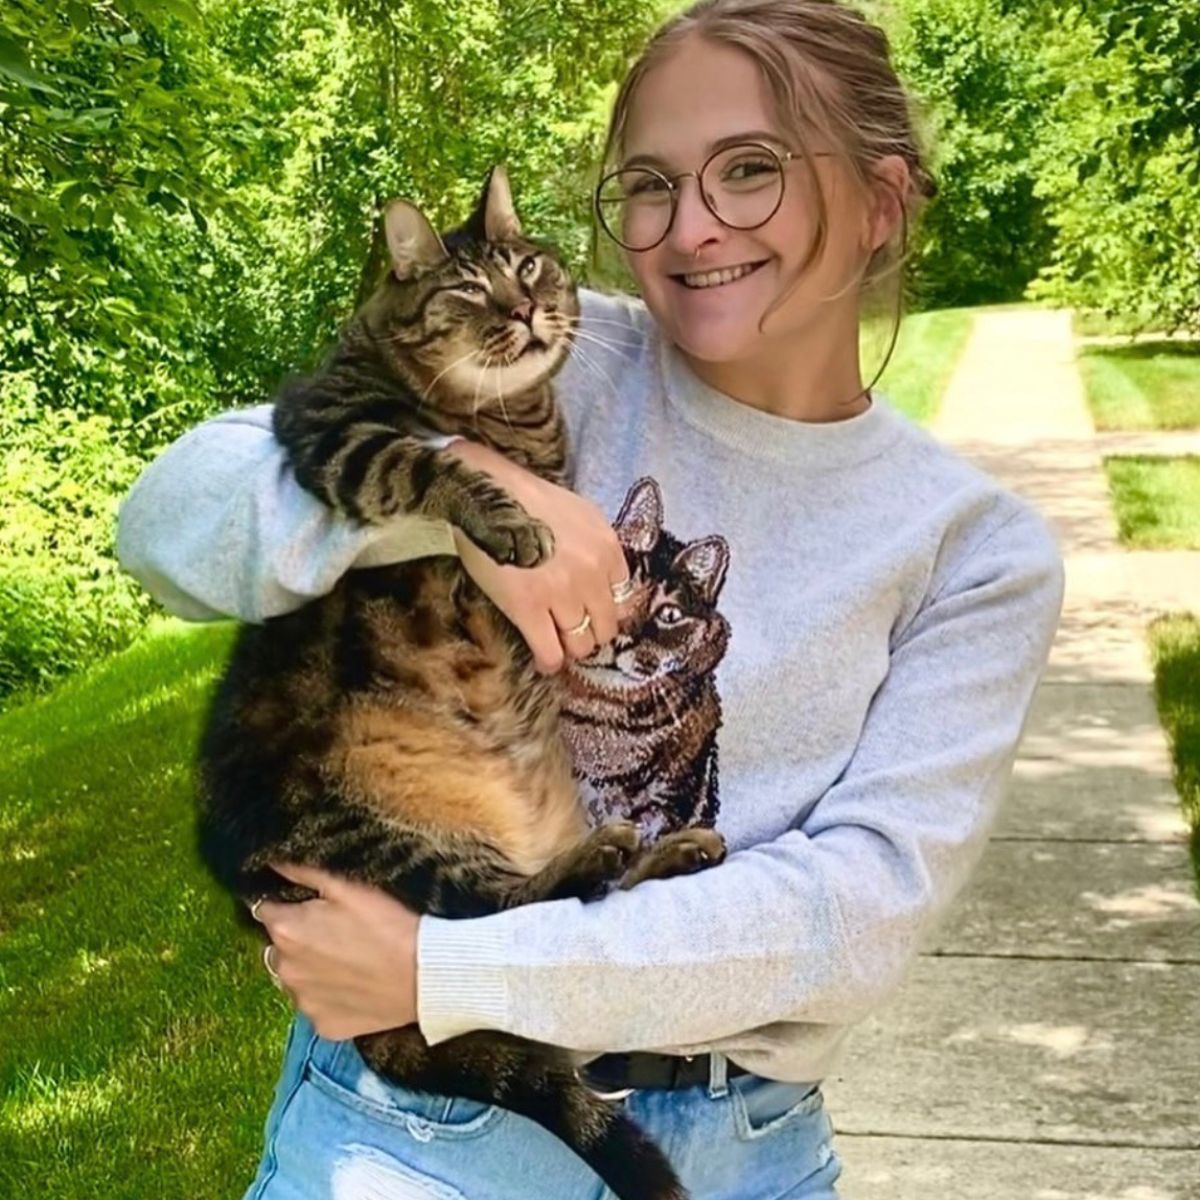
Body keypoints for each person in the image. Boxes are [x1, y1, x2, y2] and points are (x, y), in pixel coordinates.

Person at [116, 1, 1065, 1196]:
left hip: (740, 1145)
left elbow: (854, 917)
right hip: (414, 1138)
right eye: (649, 185)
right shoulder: (544, 352)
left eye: (751, 172)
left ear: (880, 199)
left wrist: (446, 972)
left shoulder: (973, 548)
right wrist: (469, 500)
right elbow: (164, 519)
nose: (690, 227)